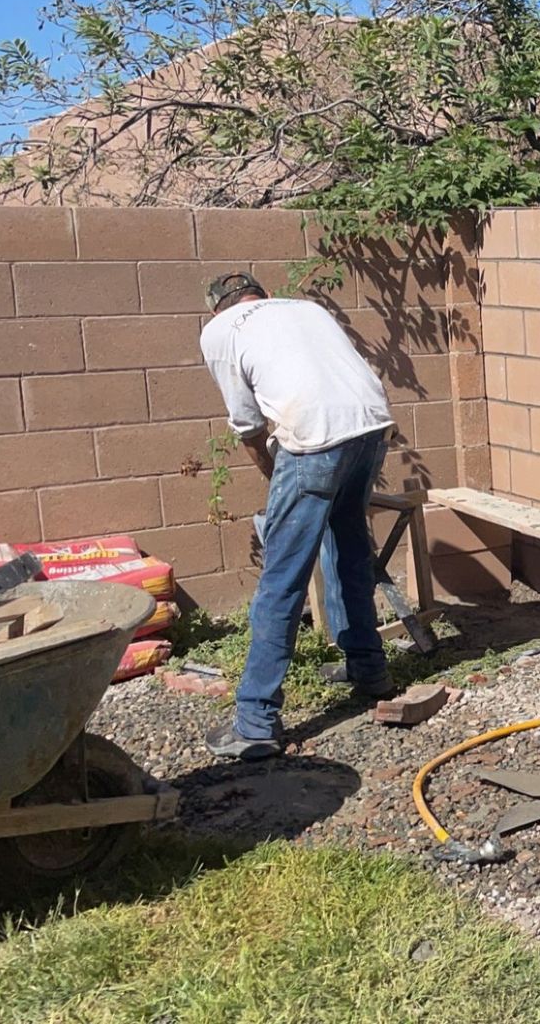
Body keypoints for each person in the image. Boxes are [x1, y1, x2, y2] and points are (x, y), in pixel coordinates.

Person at [198, 272, 397, 760]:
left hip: (315, 438)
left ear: (215, 308)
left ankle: (255, 721)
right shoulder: (305, 309)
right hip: (372, 426)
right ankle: (368, 668)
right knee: (349, 544)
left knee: (282, 577)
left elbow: (247, 425)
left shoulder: (220, 331)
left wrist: (273, 474)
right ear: (262, 297)